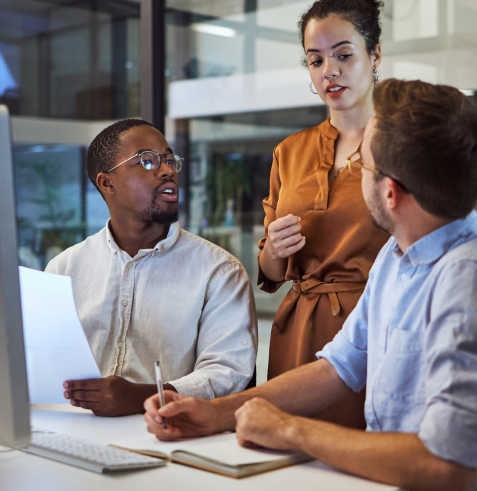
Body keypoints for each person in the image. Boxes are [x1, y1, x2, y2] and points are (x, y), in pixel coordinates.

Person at [144, 79, 477, 491]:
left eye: (364, 167)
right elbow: (339, 365)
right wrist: (217, 413)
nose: (354, 173)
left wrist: (290, 431)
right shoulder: (396, 255)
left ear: (389, 193)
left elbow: (451, 467)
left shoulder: (464, 282)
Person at [45, 119, 257, 417]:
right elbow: (43, 363)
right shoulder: (63, 268)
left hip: (170, 433)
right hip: (72, 427)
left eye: (170, 160)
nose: (167, 170)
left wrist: (147, 397)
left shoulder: (219, 270)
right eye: (147, 161)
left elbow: (229, 373)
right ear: (107, 183)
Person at [258, 0, 389, 429]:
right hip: (296, 331)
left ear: (375, 55)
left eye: (343, 55)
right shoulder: (289, 151)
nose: (328, 70)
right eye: (316, 60)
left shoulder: (404, 146)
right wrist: (274, 250)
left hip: (372, 328)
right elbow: (271, 272)